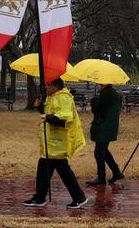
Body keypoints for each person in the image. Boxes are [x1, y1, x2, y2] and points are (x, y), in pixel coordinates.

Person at [24, 78, 88, 209]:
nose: (46, 87)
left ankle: (79, 197)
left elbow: (64, 119)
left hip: (58, 143)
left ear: (56, 86)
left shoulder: (63, 98)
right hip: (51, 144)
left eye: (48, 85)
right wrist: (40, 108)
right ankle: (40, 197)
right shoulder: (53, 97)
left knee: (62, 172)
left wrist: (47, 117)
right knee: (45, 170)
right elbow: (49, 114)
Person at [86, 82, 124, 185]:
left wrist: (94, 102)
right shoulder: (112, 93)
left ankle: (101, 177)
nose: (99, 83)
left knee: (99, 153)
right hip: (108, 127)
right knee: (103, 151)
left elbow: (99, 110)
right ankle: (116, 172)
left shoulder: (106, 94)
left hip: (104, 127)